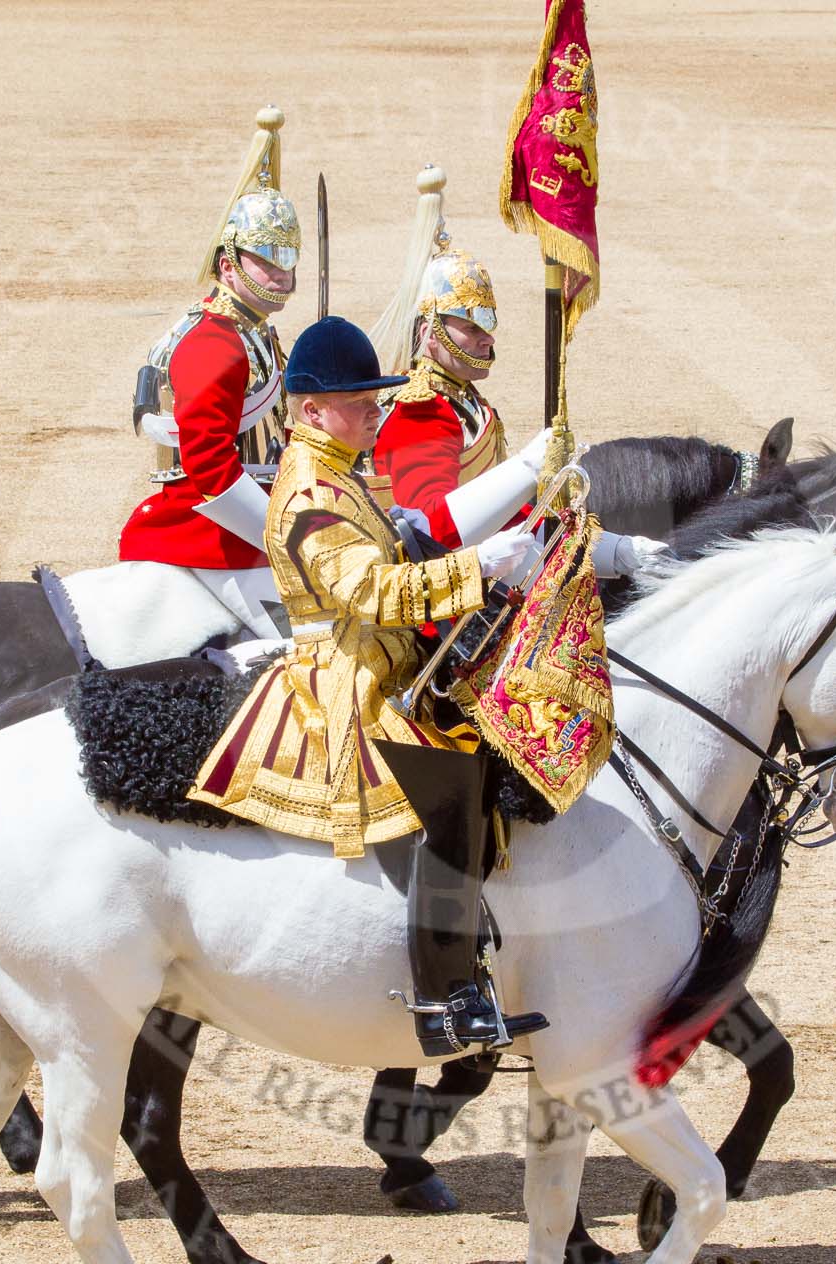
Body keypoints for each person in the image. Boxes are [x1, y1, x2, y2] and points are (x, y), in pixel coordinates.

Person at [189, 316, 549, 1055]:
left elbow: (389, 549)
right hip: (345, 677)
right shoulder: (309, 491)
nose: (376, 413)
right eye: (361, 403)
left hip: (381, 658)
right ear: (311, 410)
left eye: (375, 401)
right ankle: (442, 995)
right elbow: (369, 593)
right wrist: (476, 569)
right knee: (448, 787)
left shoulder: (341, 468)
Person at [116, 106, 300, 640]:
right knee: (313, 643)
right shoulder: (215, 343)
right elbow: (209, 469)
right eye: (266, 259)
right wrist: (285, 536)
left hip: (245, 513)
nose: (281, 274)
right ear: (228, 264)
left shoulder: (252, 329)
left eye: (287, 259)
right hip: (210, 532)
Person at [366, 165, 543, 551]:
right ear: (430, 332)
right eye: (472, 326)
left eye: (487, 323)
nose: (488, 337)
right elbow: (431, 531)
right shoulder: (421, 413)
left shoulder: (462, 400)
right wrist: (529, 469)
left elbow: (500, 510)